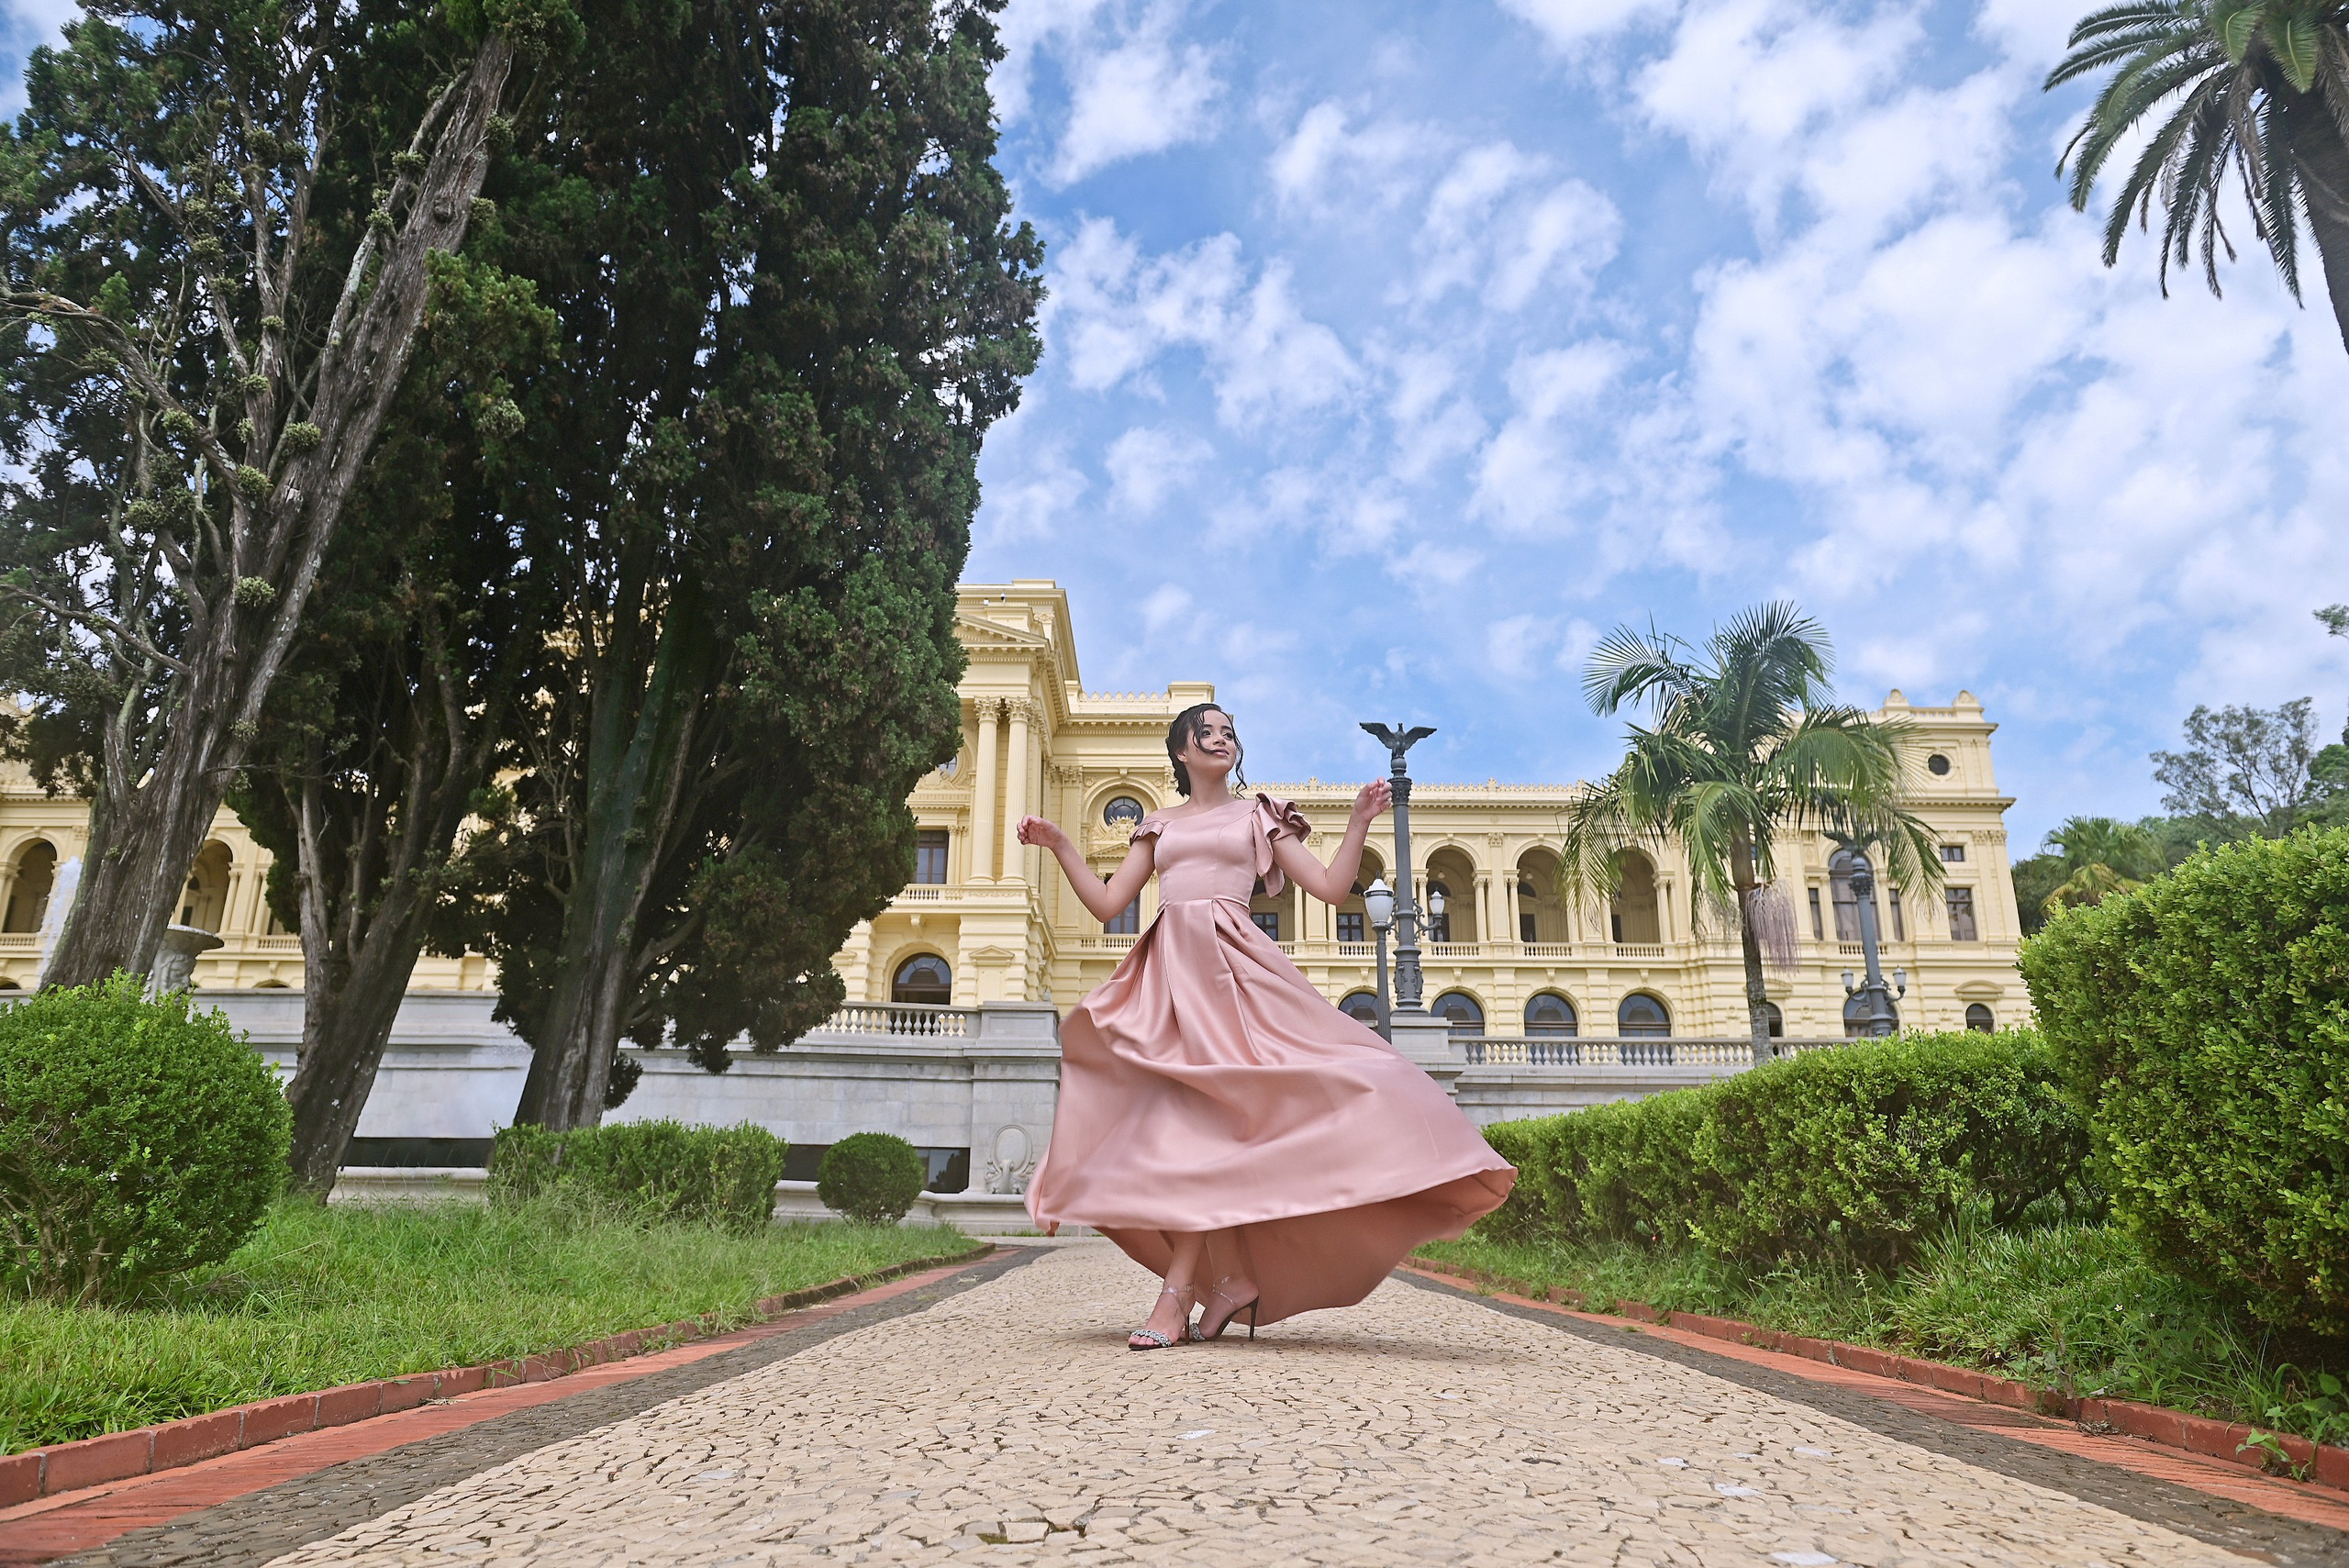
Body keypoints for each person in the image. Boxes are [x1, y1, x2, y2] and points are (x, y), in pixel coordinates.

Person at [1016, 703, 1516, 1350]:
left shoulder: (1259, 814)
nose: (1221, 740)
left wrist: (1359, 822)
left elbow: (1330, 887)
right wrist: (1060, 844)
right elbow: (1109, 903)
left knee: (1222, 1123)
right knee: (1189, 1129)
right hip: (1170, 975)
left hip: (1232, 972)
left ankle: (1180, 1295)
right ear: (1182, 752)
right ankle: (1229, 1282)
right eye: (1207, 732)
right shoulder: (1159, 824)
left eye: (1228, 732)